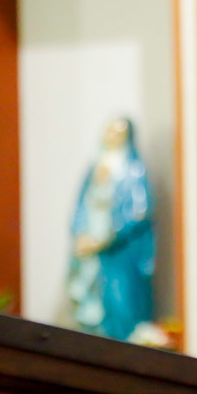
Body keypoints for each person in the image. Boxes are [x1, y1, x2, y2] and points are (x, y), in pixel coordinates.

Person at [68, 117, 156, 341]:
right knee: (90, 299)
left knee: (120, 300)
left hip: (118, 250)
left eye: (119, 134)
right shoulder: (96, 166)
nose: (112, 138)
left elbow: (139, 212)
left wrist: (108, 238)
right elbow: (82, 204)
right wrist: (81, 234)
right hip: (92, 243)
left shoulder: (132, 171)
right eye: (109, 132)